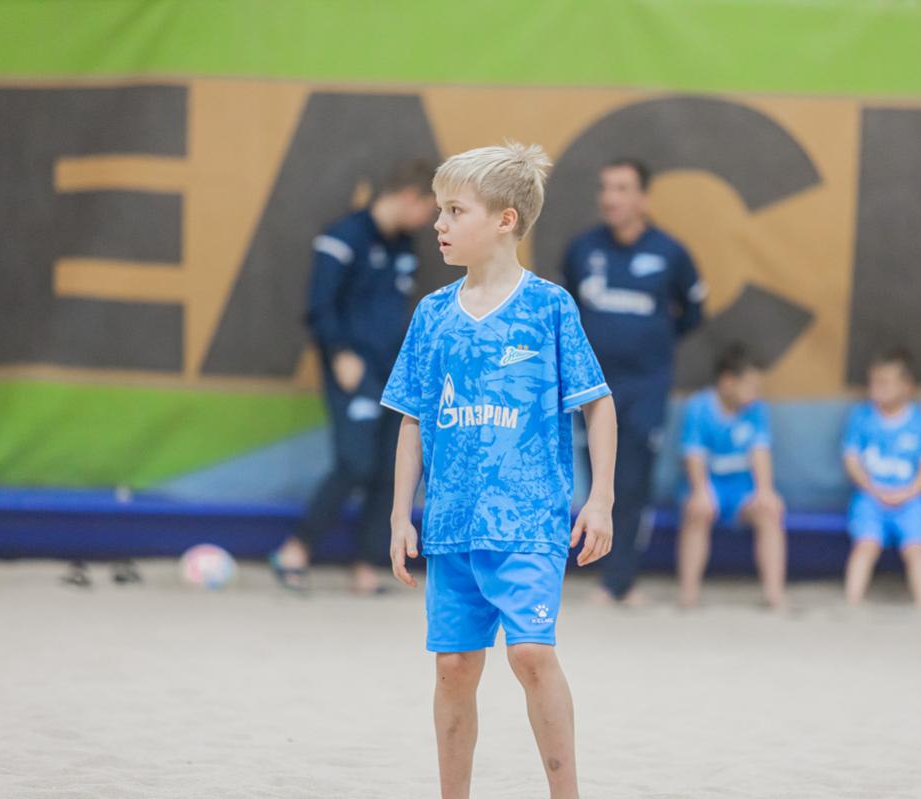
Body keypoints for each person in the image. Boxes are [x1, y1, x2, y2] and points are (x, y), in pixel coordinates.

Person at [381, 142, 617, 799]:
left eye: (455, 210)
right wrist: (401, 515)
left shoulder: (549, 307)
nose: (439, 223)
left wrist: (600, 498)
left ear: (505, 220)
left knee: (531, 652)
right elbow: (411, 420)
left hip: (529, 520)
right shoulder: (432, 314)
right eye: (439, 210)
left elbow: (598, 404)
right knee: (454, 668)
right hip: (450, 524)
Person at [271, 160, 437, 592]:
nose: (432, 221)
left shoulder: (405, 246)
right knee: (354, 462)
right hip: (352, 369)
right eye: (430, 209)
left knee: (389, 469)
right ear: (410, 197)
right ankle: (296, 549)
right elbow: (320, 304)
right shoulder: (343, 237)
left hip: (393, 371)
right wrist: (339, 353)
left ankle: (366, 566)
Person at [561, 158, 705, 606]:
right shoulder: (582, 249)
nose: (611, 198)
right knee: (595, 481)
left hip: (645, 386)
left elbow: (693, 313)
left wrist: (650, 343)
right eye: (605, 187)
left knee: (632, 482)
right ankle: (602, 570)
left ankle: (619, 581)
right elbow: (567, 314)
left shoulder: (670, 253)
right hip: (591, 387)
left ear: (642, 198)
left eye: (622, 188)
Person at [676, 343, 787, 609]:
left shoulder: (757, 410)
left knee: (769, 511)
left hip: (742, 489)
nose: (755, 393)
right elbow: (693, 455)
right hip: (708, 485)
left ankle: (774, 594)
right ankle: (688, 594)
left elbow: (760, 452)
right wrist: (701, 492)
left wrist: (765, 491)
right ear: (728, 382)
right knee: (698, 511)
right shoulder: (699, 407)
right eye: (751, 386)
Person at [841, 349, 921, 607]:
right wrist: (873, 490)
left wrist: (908, 492)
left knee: (916, 549)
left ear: (906, 386)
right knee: (866, 545)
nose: (877, 389)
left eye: (884, 382)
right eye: (873, 382)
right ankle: (851, 603)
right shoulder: (861, 417)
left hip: (911, 499)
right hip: (870, 497)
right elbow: (852, 461)